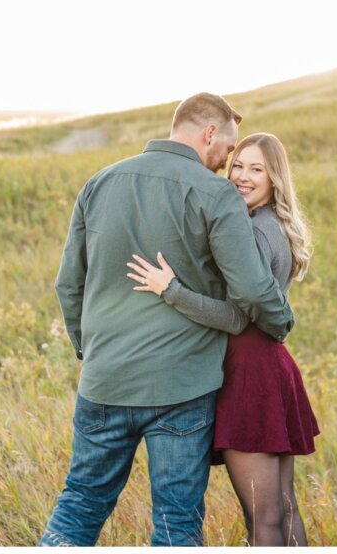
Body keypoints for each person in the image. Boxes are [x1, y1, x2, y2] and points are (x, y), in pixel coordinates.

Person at [38, 94, 295, 547]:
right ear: (209, 133)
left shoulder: (99, 182)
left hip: (106, 380)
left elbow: (67, 285)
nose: (225, 164)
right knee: (177, 521)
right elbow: (254, 292)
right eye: (227, 149)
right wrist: (281, 323)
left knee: (80, 503)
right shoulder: (214, 194)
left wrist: (90, 351)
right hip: (183, 389)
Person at [126, 132, 319, 546]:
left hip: (249, 374)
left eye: (256, 169)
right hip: (270, 365)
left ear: (274, 179)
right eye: (238, 166)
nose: (242, 177)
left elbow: (234, 315)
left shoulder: (251, 232)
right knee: (283, 510)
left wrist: (170, 289)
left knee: (264, 517)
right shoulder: (272, 224)